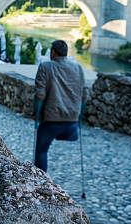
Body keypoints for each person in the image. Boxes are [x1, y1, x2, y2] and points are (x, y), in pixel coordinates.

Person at [34, 40, 86, 172]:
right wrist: (79, 118)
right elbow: (84, 95)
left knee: (41, 149)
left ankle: (41, 179)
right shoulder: (78, 68)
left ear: (53, 52)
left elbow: (39, 95)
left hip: (51, 120)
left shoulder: (45, 67)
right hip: (71, 122)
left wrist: (36, 116)